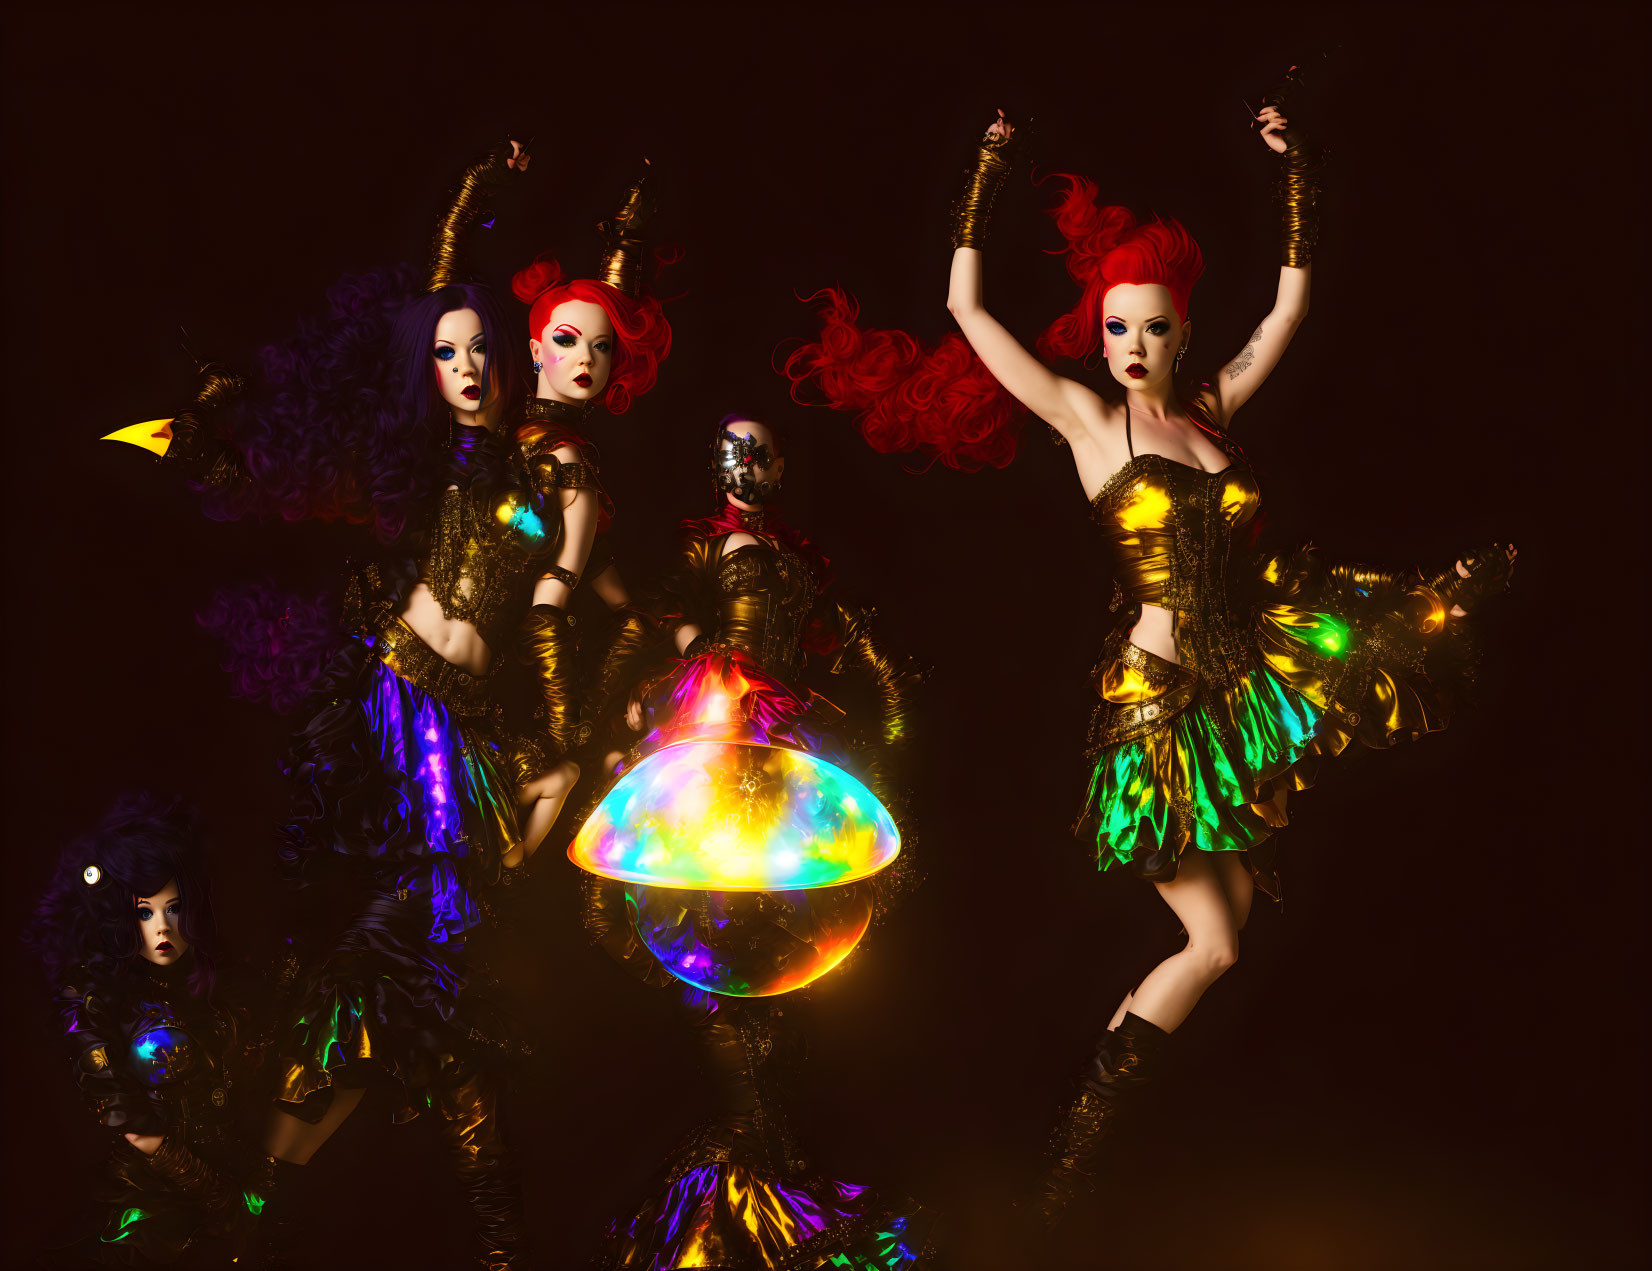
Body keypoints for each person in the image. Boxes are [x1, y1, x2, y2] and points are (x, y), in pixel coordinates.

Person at [783, 72, 1517, 1224]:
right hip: (1159, 696)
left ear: (1182, 329)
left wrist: (1292, 171)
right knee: (1211, 936)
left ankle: (1082, 1154)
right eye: (1114, 326)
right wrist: (983, 168)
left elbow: (1290, 307)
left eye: (1151, 326)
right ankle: (1073, 1155)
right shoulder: (1088, 421)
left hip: (1238, 676)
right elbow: (971, 317)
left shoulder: (1213, 406)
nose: (1130, 344)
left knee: (1225, 934)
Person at [113, 142, 672, 1268]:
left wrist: (656, 641)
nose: (573, 358)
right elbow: (443, 300)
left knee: (415, 977)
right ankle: (316, 1201)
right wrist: (481, 193)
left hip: (457, 723)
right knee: (408, 954)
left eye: (601, 350)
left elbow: (577, 599)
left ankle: (273, 1197)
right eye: (556, 339)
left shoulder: (570, 476)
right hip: (396, 703)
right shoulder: (477, 442)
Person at [31, 795, 267, 1268]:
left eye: (173, 907)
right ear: (122, 916)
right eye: (144, 912)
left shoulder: (223, 979)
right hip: (153, 1200)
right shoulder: (92, 998)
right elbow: (130, 1123)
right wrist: (213, 1190)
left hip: (241, 1179)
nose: (162, 927)